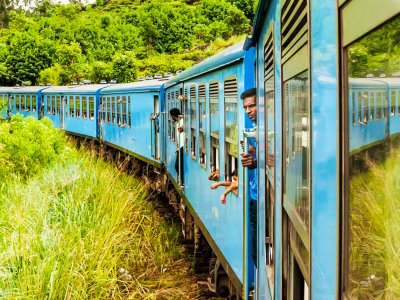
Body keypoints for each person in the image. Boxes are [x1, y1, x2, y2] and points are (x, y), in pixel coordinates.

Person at [240, 88, 258, 266]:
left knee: (257, 252)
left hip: (263, 197)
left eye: (252, 106)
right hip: (255, 195)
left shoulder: (272, 128)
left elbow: (276, 158)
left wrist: (255, 159)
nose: (248, 111)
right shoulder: (255, 129)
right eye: (246, 108)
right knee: (255, 252)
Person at [170, 108, 184, 187]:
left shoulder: (182, 122)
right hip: (180, 147)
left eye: (171, 116)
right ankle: (182, 182)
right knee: (178, 165)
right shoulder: (178, 122)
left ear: (173, 116)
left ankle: (182, 182)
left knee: (177, 165)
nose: (171, 118)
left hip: (183, 146)